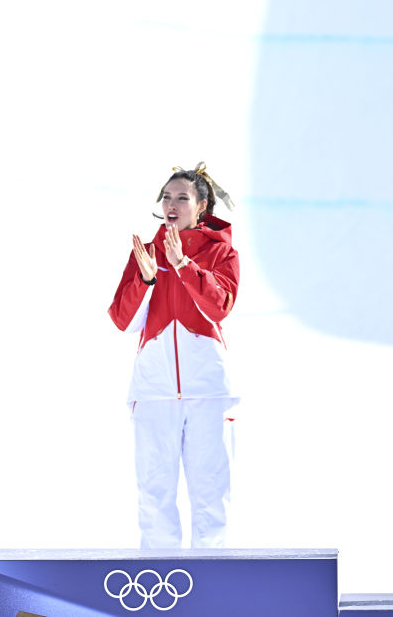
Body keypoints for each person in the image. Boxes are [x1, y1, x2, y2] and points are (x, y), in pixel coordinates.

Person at [108, 162, 240, 548]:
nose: (172, 204)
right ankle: (160, 577)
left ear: (201, 207)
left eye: (182, 198)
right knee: (154, 495)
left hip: (208, 390)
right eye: (167, 197)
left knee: (210, 493)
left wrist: (183, 265)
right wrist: (146, 278)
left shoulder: (221, 252)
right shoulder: (146, 254)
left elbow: (219, 307)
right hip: (154, 390)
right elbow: (123, 320)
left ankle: (213, 578)